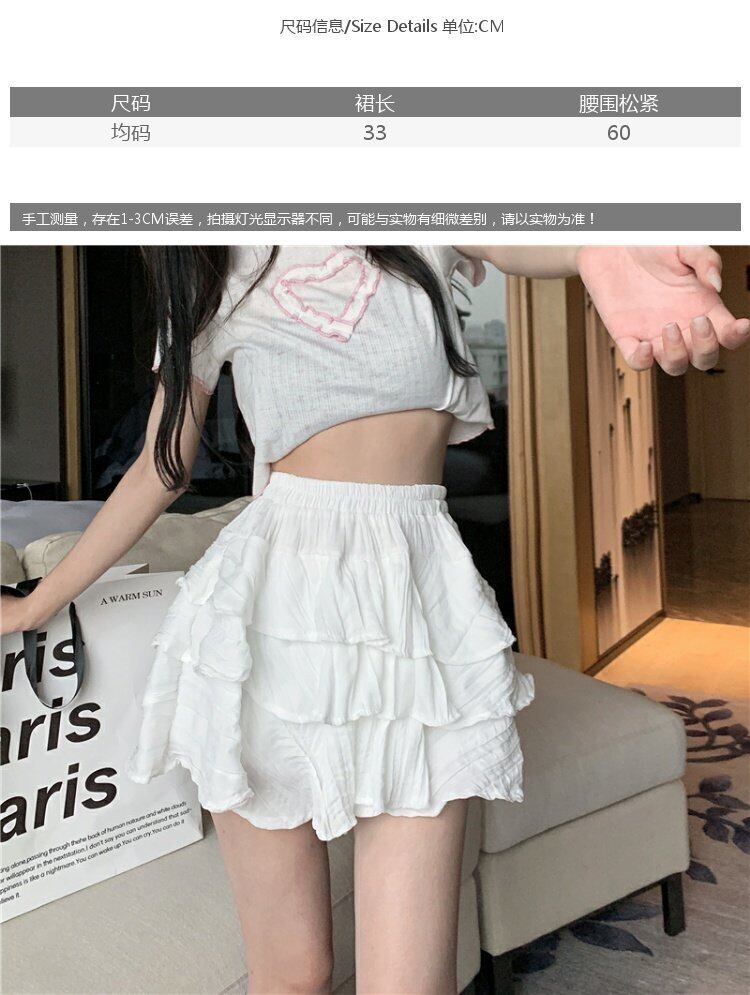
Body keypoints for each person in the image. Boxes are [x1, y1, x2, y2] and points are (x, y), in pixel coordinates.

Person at [2, 245, 747, 995]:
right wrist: (36, 602)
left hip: (416, 597)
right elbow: (160, 468)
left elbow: (517, 233)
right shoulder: (208, 266)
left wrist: (595, 249)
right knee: (293, 976)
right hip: (268, 608)